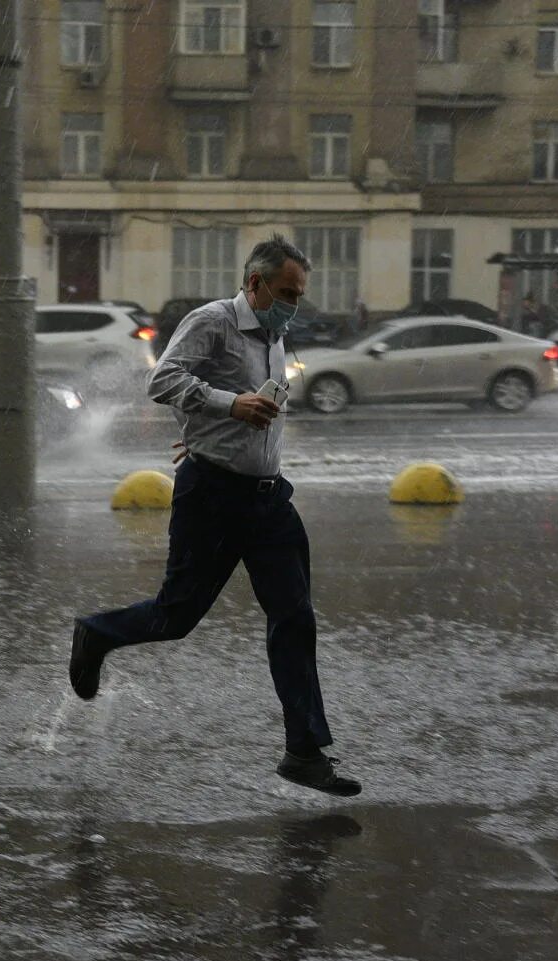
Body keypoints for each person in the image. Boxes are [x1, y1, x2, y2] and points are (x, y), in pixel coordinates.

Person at [68, 234, 361, 797]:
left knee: (294, 617)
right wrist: (226, 411)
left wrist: (208, 431)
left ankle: (303, 751)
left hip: (269, 499)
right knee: (175, 617)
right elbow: (162, 381)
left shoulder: (276, 335)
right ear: (254, 283)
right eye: (285, 292)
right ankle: (97, 634)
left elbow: (250, 407)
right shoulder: (213, 322)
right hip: (214, 498)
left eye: (299, 294)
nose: (293, 305)